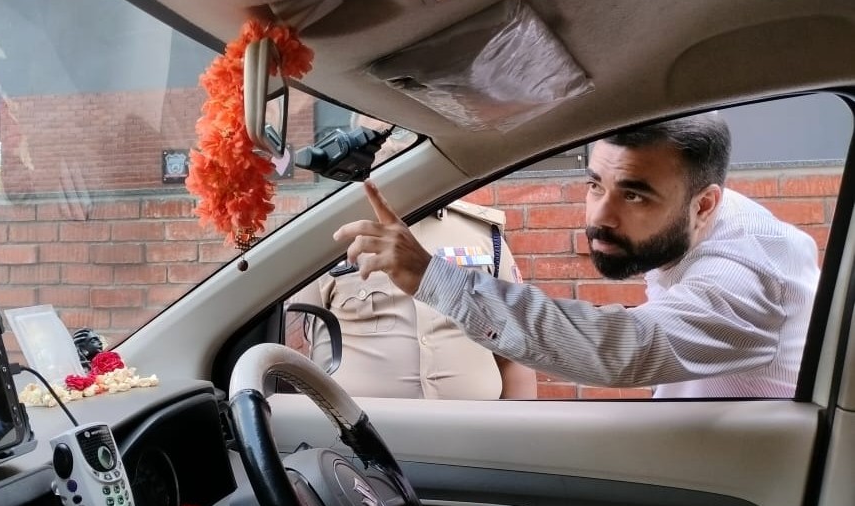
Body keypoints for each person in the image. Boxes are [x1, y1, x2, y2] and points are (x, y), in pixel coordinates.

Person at [333, 113, 820, 398]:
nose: (599, 216)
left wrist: (434, 279)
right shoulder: (699, 224)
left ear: (704, 203)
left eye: (634, 195)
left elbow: (627, 349)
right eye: (594, 185)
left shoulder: (749, 272)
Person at [291, 199, 536, 399]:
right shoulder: (332, 239)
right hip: (357, 441)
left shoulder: (481, 235)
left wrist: (518, 443)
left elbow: (515, 354)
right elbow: (299, 345)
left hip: (475, 438)